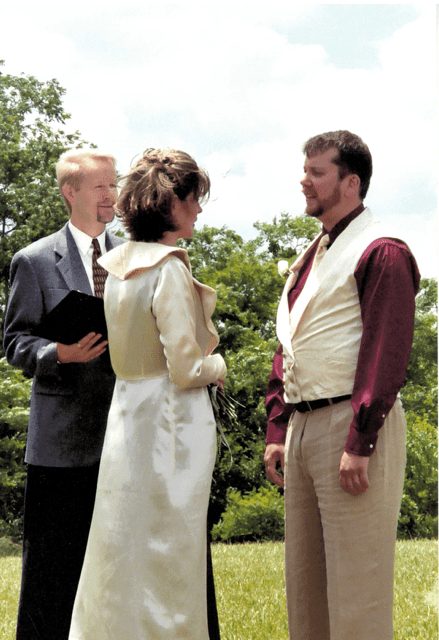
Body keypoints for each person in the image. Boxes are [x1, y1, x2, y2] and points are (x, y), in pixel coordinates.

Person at [264, 130, 420, 640]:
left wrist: (361, 440)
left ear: (350, 183)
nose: (304, 182)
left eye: (317, 172)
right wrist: (277, 427)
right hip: (304, 428)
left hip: (351, 427)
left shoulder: (383, 252)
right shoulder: (313, 254)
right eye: (305, 170)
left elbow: (385, 353)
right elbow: (291, 342)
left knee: (358, 589)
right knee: (305, 588)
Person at [68, 148, 227, 640]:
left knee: (122, 547)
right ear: (170, 204)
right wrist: (219, 365)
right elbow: (186, 367)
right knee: (170, 551)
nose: (198, 209)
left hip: (127, 417)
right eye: (193, 200)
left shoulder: (117, 268)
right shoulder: (168, 268)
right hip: (170, 426)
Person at [3, 150, 124, 640]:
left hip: (123, 434)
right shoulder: (32, 260)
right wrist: (60, 354)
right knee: (51, 573)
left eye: (114, 186)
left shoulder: (132, 258)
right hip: (59, 444)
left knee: (115, 567)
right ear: (70, 192)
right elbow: (15, 342)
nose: (111, 196)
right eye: (101, 187)